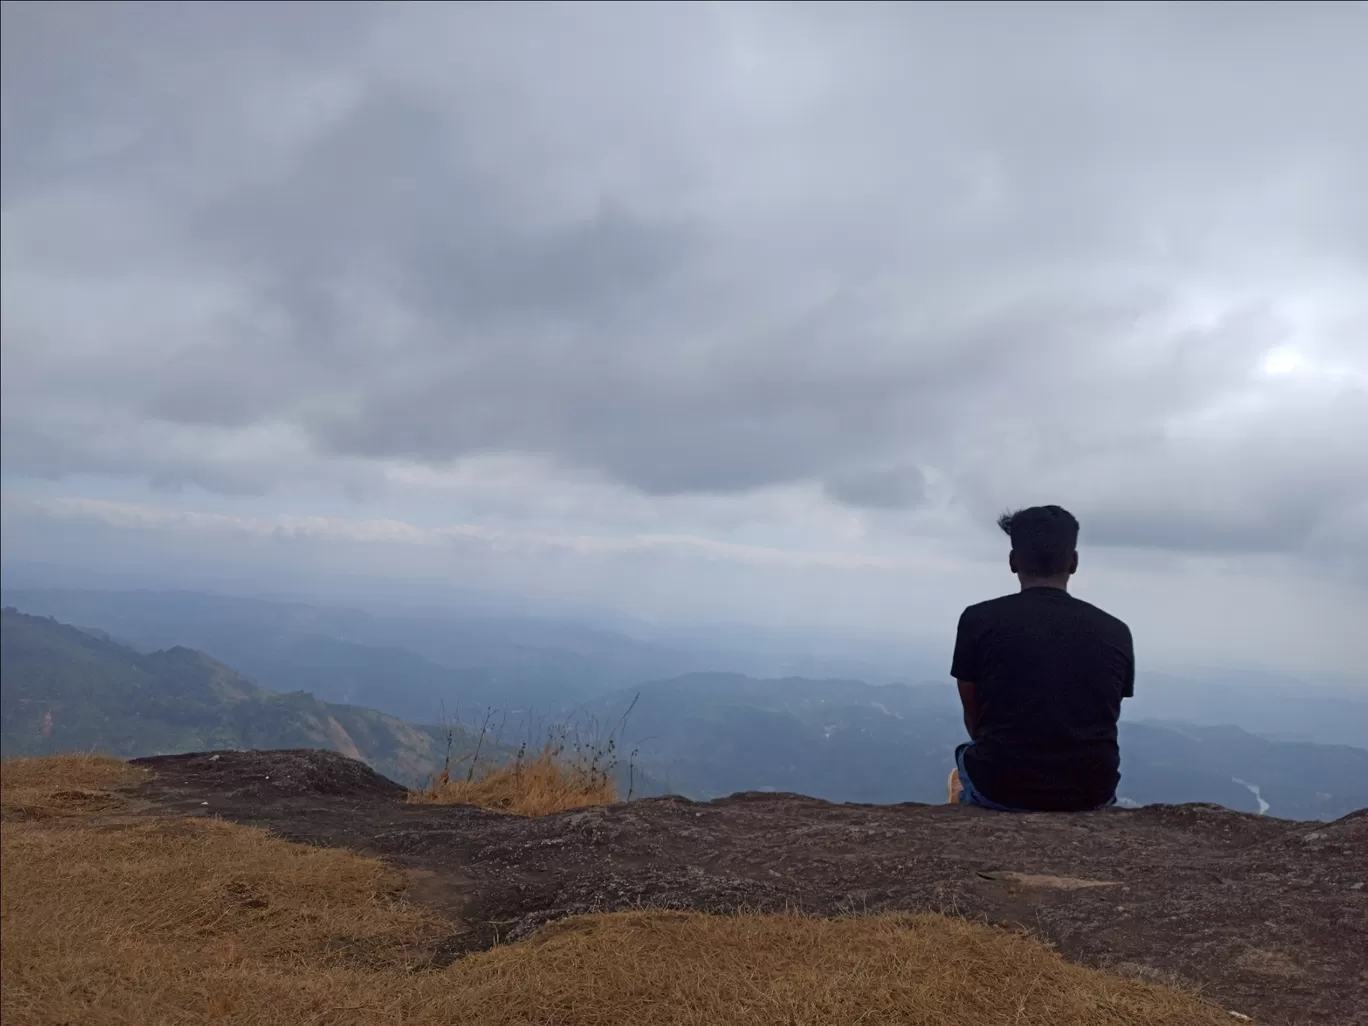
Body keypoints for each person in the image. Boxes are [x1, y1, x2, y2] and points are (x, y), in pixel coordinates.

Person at [949, 505, 1134, 812]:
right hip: (1092, 791)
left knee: (964, 761)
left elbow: (974, 716)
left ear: (1012, 561)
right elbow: (1103, 711)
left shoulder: (977, 620)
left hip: (1002, 788)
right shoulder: (1115, 631)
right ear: (1073, 562)